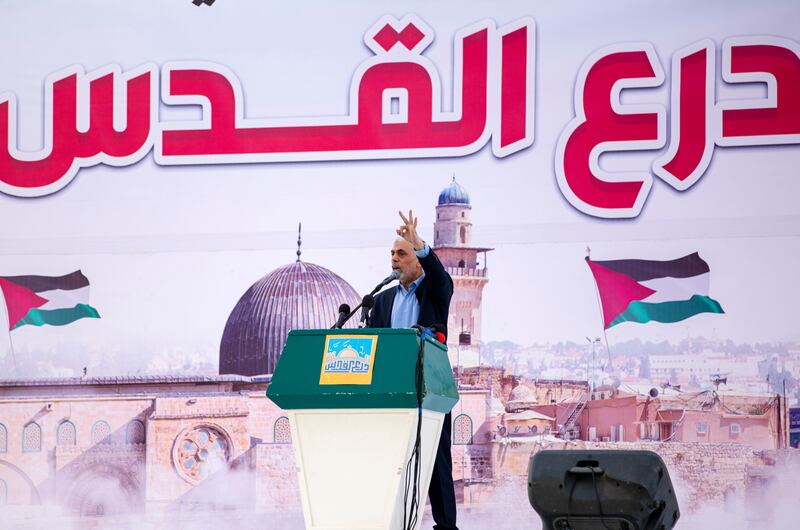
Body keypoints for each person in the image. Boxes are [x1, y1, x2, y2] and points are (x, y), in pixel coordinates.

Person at [370, 209, 458, 530]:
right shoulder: (381, 301)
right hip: (394, 391)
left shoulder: (435, 291)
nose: (394, 259)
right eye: (392, 253)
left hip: (430, 390)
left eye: (402, 253)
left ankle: (446, 526)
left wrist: (420, 243)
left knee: (436, 463)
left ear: (417, 260)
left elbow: (441, 278)